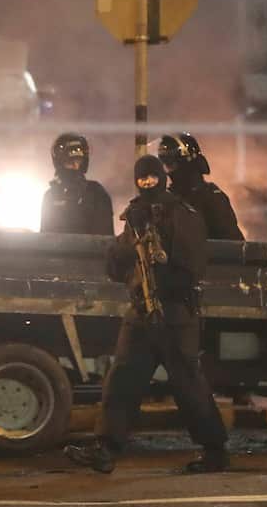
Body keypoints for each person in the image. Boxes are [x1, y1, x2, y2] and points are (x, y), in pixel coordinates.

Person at [64, 155, 229, 474]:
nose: (148, 184)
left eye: (153, 178)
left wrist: (161, 274)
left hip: (175, 314)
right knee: (122, 379)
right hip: (142, 312)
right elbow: (114, 267)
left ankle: (215, 450)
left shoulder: (183, 215)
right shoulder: (136, 215)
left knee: (188, 384)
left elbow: (192, 267)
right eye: (143, 179)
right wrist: (132, 239)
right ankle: (106, 447)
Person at [157, 133, 244, 240]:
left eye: (170, 164)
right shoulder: (166, 200)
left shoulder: (212, 199)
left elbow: (233, 246)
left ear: (185, 162)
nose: (168, 170)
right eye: (165, 164)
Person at [40, 133, 114, 235]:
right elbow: (45, 239)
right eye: (70, 163)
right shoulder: (51, 196)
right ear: (60, 164)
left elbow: (105, 239)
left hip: (91, 251)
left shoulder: (96, 193)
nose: (75, 166)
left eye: (78, 162)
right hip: (59, 251)